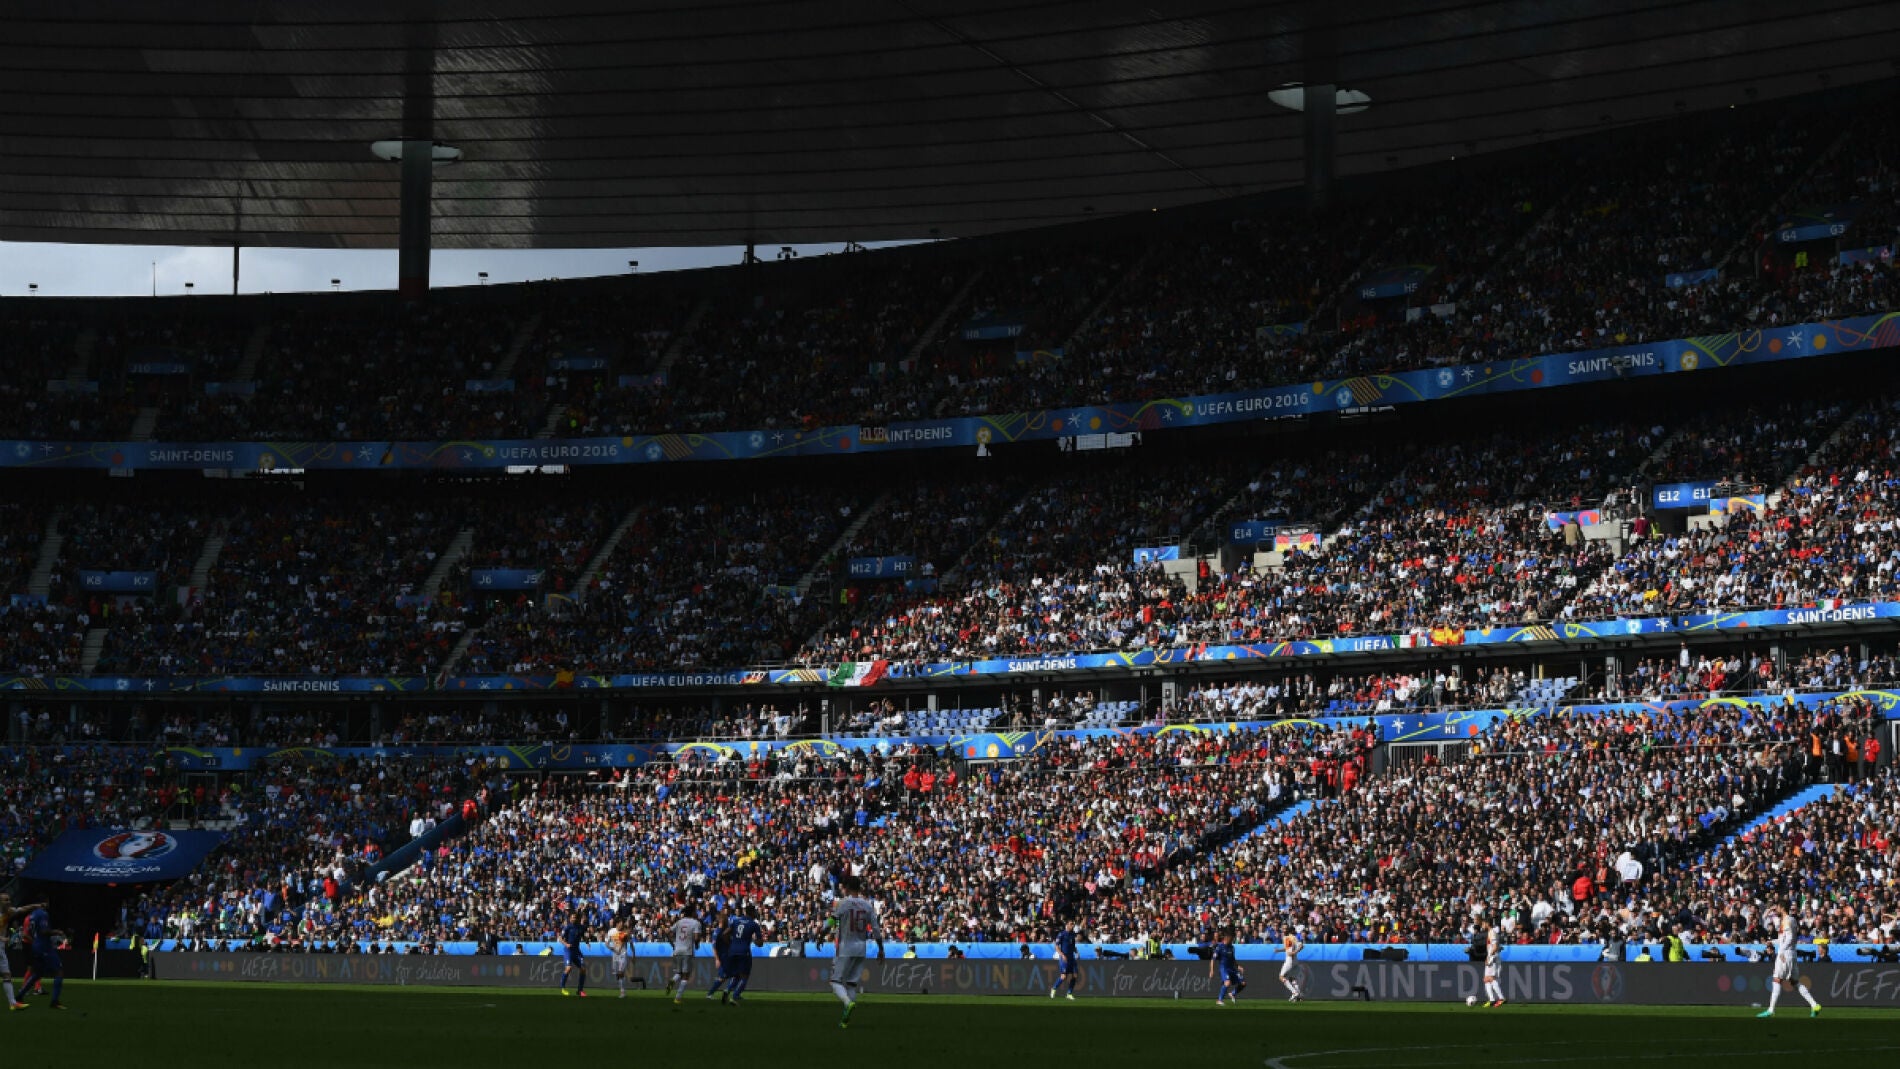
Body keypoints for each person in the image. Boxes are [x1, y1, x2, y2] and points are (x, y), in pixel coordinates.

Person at [828, 873, 884, 1029]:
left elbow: (832, 920)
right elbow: (876, 929)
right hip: (861, 948)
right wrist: (881, 949)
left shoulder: (843, 903)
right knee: (851, 984)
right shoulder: (867, 905)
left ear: (846, 888)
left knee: (835, 981)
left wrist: (821, 933)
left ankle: (848, 1003)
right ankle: (845, 1020)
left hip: (845, 947)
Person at [1757, 913, 1821, 1018]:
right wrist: (1771, 941)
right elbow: (1785, 939)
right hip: (1792, 954)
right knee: (1795, 982)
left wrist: (1781, 951)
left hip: (1785, 955)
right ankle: (1814, 1005)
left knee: (1777, 979)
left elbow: (1790, 938)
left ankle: (1771, 1010)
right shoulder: (1790, 921)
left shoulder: (1787, 920)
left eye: (1777, 907)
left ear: (1781, 908)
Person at [0, 895, 46, 1011]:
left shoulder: (9, 912)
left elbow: (23, 909)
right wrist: (2, 938)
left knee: (7, 975)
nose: (9, 901)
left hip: (0, 949)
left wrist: (36, 905)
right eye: (6, 900)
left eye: (9, 899)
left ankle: (13, 1003)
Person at [16, 904, 65, 1011]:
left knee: (37, 973)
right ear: (45, 903)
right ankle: (54, 1001)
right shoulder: (42, 914)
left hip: (34, 946)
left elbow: (27, 932)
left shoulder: (30, 916)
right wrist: (56, 932)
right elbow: (44, 931)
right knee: (59, 971)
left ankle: (20, 995)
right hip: (44, 947)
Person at [715, 909, 764, 1004]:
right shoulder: (754, 924)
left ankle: (727, 990)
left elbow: (724, 934)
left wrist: (730, 944)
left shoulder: (735, 921)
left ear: (745, 913)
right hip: (744, 952)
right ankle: (735, 996)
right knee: (744, 975)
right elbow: (760, 943)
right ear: (753, 913)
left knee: (735, 974)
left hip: (732, 951)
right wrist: (755, 940)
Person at [669, 908, 703, 1004]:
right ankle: (678, 998)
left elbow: (669, 932)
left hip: (677, 950)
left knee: (679, 973)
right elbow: (696, 937)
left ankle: (673, 980)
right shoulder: (696, 923)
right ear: (692, 913)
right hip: (687, 951)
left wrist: (673, 944)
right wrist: (696, 944)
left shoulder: (679, 922)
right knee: (686, 975)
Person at [1210, 931, 1245, 1006]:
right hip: (1224, 968)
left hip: (1232, 968)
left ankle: (1232, 993)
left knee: (1243, 983)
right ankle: (1219, 1000)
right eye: (1231, 938)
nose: (1232, 940)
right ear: (1227, 938)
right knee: (1227, 982)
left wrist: (1238, 966)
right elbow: (1213, 959)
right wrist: (1212, 971)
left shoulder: (1232, 947)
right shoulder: (1219, 947)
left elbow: (1233, 959)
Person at [558, 912, 587, 998]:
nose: (574, 919)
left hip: (577, 951)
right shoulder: (567, 927)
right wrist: (566, 944)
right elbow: (560, 938)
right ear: (570, 918)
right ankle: (563, 988)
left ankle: (580, 990)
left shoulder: (580, 927)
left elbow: (583, 936)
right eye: (572, 917)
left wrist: (587, 941)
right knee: (568, 968)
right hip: (568, 951)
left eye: (575, 917)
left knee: (583, 969)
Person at [1050, 921, 1081, 1000]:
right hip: (1064, 957)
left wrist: (1077, 952)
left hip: (1071, 957)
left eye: (1073, 924)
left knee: (1075, 975)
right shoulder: (1061, 934)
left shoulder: (1073, 934)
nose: (1072, 925)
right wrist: (1062, 955)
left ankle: (1069, 993)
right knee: (1063, 976)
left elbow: (1073, 946)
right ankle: (1053, 988)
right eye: (1071, 924)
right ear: (1067, 925)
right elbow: (1056, 947)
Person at [1482, 920, 1506, 1007]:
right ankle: (1491, 999)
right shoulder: (1490, 932)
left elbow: (1495, 947)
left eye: (1483, 923)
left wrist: (1489, 957)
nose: (1482, 925)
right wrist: (1487, 957)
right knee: (1486, 979)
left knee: (1491, 978)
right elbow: (1494, 946)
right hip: (1490, 957)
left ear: (1487, 923)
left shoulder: (1492, 932)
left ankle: (1501, 998)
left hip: (1493, 958)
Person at [605, 923, 631, 999]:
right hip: (615, 955)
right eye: (620, 923)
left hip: (623, 954)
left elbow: (627, 942)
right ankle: (622, 989)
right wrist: (611, 948)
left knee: (620, 972)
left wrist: (633, 955)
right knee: (617, 975)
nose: (621, 925)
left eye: (622, 924)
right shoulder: (611, 931)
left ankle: (623, 992)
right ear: (617, 924)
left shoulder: (625, 932)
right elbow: (606, 942)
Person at [1280, 928, 1305, 1002]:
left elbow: (1290, 952)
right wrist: (1279, 950)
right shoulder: (1295, 938)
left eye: (1285, 930)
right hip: (1295, 961)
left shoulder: (1289, 938)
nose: (1283, 931)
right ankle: (1299, 997)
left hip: (1289, 960)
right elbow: (1301, 946)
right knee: (1292, 978)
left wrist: (1295, 952)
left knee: (1281, 977)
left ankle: (1294, 992)